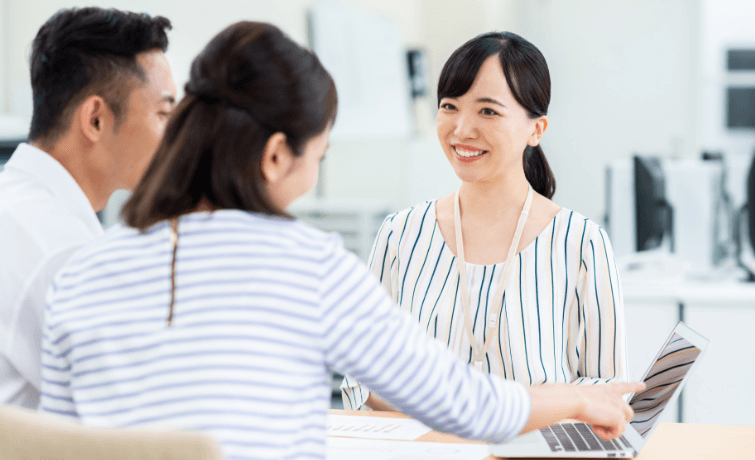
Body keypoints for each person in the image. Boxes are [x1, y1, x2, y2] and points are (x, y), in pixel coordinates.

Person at [38, 21, 643, 460]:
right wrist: (579, 402)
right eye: (320, 154)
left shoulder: (83, 271)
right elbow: (468, 404)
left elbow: (51, 445)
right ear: (277, 155)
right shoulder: (309, 263)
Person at [342, 32, 628, 411]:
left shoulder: (581, 243)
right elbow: (360, 380)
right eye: (449, 106)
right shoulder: (401, 234)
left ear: (536, 129)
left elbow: (605, 387)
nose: (461, 130)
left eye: (488, 111)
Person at [0, 7, 175, 409]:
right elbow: (140, 414)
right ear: (96, 119)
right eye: (163, 115)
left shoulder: (19, 206)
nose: (175, 139)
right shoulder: (60, 252)